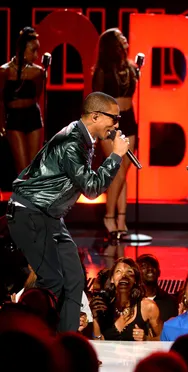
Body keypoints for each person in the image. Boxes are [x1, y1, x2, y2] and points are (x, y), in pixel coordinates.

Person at [6, 92, 129, 332]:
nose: (116, 125)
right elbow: (92, 189)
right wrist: (115, 156)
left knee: (74, 278)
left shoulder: (83, 138)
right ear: (95, 116)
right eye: (114, 119)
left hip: (50, 216)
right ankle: (27, 336)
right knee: (52, 280)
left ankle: (67, 342)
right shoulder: (73, 142)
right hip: (30, 212)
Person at [92, 28, 138, 238]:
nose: (125, 40)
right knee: (116, 172)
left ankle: (121, 219)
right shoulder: (102, 71)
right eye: (120, 38)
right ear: (112, 45)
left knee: (124, 173)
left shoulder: (130, 68)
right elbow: (96, 101)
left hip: (129, 119)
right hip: (110, 123)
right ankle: (109, 216)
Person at [0, 26, 44, 175]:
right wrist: (1, 124)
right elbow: (0, 99)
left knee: (33, 168)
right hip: (14, 118)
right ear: (22, 49)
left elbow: (37, 95)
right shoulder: (5, 71)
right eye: (33, 50)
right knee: (22, 168)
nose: (36, 55)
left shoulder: (38, 72)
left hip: (33, 116)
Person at [90, 257, 162, 341]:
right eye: (118, 271)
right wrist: (95, 318)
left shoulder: (149, 307)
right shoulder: (104, 306)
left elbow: (163, 339)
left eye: (129, 272)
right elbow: (98, 343)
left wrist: (146, 339)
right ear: (112, 279)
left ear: (135, 280)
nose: (124, 275)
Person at [136, 254, 178, 322]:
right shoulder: (131, 301)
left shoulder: (171, 302)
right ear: (136, 273)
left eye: (153, 266)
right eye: (144, 266)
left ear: (159, 272)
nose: (150, 269)